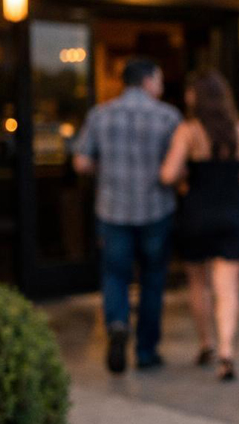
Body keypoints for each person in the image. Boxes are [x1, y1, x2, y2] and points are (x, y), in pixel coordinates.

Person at [74, 57, 182, 374]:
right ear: (148, 81)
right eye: (159, 80)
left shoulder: (100, 114)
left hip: (112, 210)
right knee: (152, 280)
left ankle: (118, 324)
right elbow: (175, 169)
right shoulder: (168, 116)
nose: (161, 87)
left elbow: (80, 163)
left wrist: (103, 168)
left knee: (115, 275)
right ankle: (146, 351)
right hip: (156, 211)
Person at [160, 69, 239, 382]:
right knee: (227, 289)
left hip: (196, 215)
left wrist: (183, 182)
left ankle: (206, 344)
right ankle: (227, 352)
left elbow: (167, 174)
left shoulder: (188, 131)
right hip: (231, 216)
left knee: (198, 284)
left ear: (198, 97)